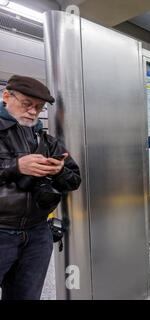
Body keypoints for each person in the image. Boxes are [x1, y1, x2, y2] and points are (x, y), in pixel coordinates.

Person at [0, 75, 81, 300]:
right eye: (27, 104)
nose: (33, 112)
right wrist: (15, 167)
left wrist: (59, 171)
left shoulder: (45, 140)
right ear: (7, 96)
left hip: (37, 235)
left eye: (39, 107)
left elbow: (74, 180)